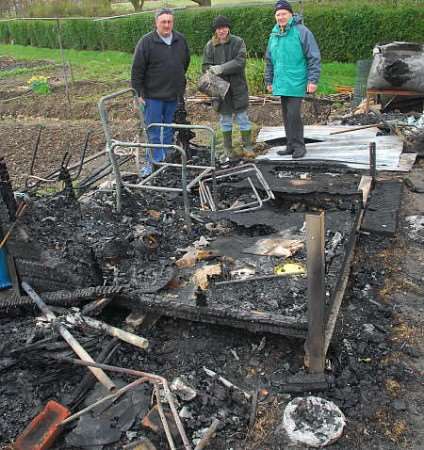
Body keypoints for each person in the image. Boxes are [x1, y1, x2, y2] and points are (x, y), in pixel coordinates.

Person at [131, 8, 190, 177]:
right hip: (153, 97)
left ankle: (167, 160)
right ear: (156, 23)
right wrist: (138, 93)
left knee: (169, 130)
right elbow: (137, 70)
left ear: (173, 22)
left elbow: (185, 62)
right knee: (154, 131)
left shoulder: (180, 40)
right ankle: (154, 164)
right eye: (163, 22)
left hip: (174, 95)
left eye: (169, 21)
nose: (167, 25)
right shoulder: (147, 42)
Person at [265, 0, 320, 158]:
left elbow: (313, 57)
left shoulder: (302, 31)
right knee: (286, 115)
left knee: (294, 114)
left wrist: (313, 80)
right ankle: (290, 144)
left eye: (283, 14)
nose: (281, 17)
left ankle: (299, 146)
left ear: (290, 14)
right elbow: (269, 59)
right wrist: (269, 80)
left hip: (297, 81)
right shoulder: (274, 34)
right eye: (278, 14)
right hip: (282, 82)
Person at [202, 15, 253, 160]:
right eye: (218, 28)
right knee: (225, 120)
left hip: (237, 88)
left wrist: (221, 68)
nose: (221, 31)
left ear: (228, 28)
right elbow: (205, 66)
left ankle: (248, 147)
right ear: (215, 30)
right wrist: (210, 71)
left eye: (224, 27)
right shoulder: (210, 45)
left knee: (243, 118)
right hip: (220, 90)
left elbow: (240, 62)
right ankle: (227, 148)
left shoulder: (238, 42)